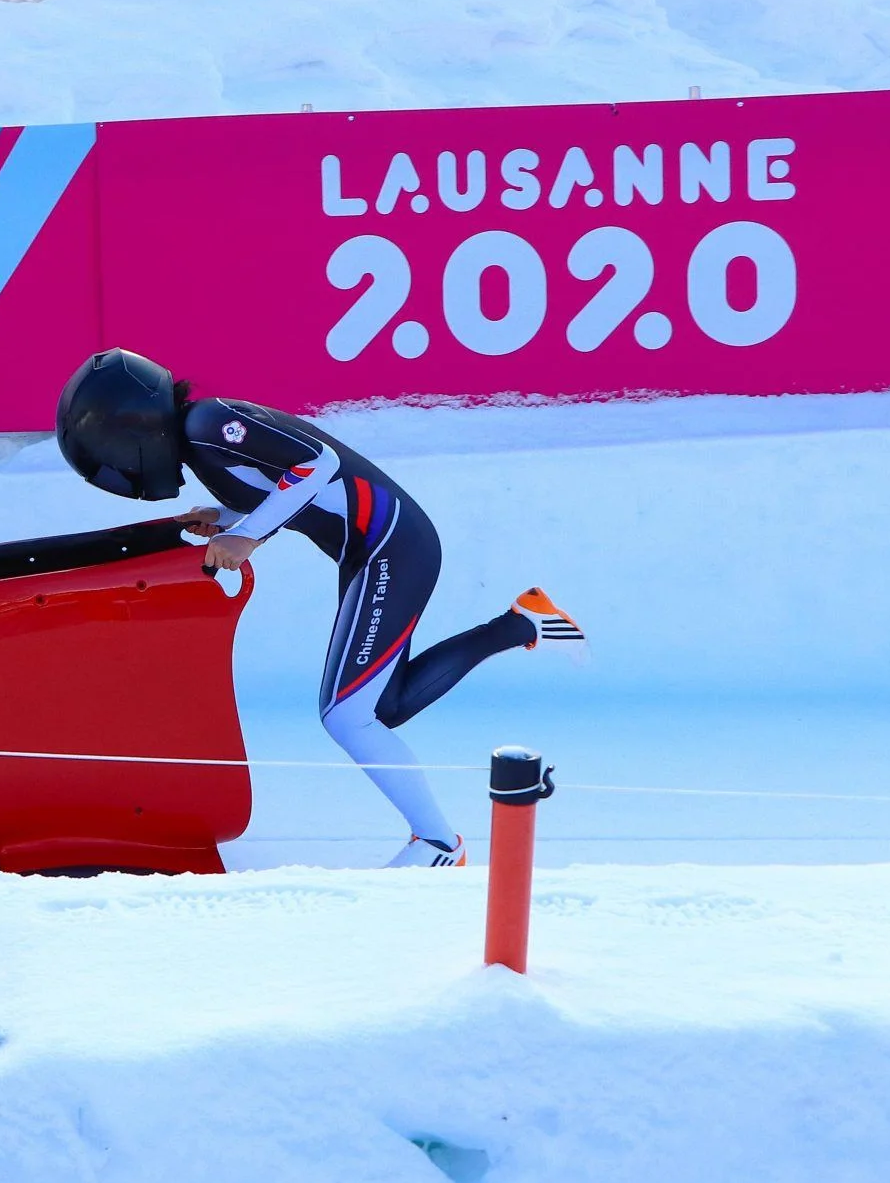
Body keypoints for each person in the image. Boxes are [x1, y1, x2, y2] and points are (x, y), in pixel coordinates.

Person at [55, 349, 581, 867]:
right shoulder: (202, 442)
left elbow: (316, 463)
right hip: (376, 551)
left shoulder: (208, 423)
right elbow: (279, 487)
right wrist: (225, 518)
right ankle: (522, 623)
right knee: (377, 709)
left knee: (348, 717)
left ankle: (440, 844)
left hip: (390, 548)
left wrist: (249, 536)